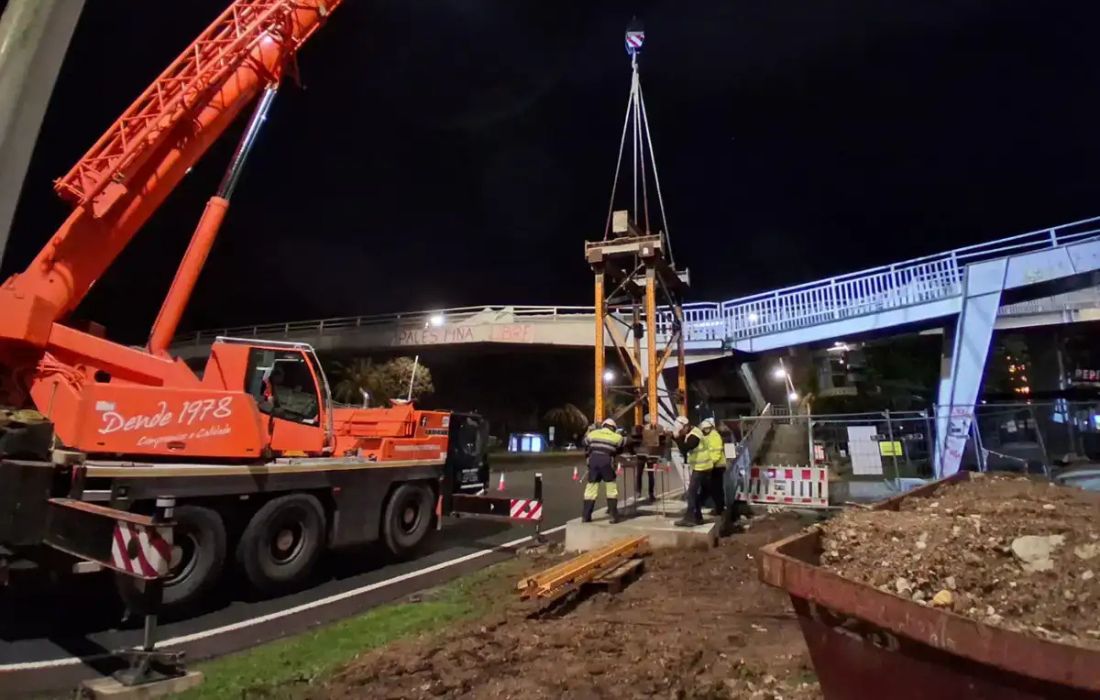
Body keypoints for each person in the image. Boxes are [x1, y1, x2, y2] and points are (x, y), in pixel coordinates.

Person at [582, 418, 625, 523]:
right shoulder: (617, 437)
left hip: (593, 462)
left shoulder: (593, 434)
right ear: (613, 428)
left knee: (591, 489)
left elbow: (584, 443)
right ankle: (613, 516)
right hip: (606, 462)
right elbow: (625, 443)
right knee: (611, 489)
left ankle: (586, 516)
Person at [672, 415, 711, 527]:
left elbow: (685, 448)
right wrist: (674, 436)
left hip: (702, 467)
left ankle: (689, 518)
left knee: (691, 493)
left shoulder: (695, 435)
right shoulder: (692, 432)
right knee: (696, 493)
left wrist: (677, 437)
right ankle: (698, 517)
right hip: (701, 467)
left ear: (686, 426)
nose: (681, 433)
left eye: (681, 431)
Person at [701, 418, 726, 516]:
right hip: (714, 466)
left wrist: (710, 463)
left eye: (707, 428)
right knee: (714, 488)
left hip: (717, 466)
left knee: (716, 489)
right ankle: (718, 508)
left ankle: (719, 509)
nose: (705, 430)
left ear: (711, 427)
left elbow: (716, 452)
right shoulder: (709, 436)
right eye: (704, 429)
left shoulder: (714, 436)